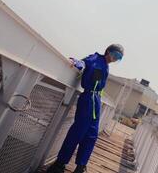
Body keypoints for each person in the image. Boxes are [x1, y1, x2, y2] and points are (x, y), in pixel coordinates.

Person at [47, 44, 124, 173]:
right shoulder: (97, 58)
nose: (116, 59)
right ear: (109, 52)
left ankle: (81, 166)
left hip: (96, 101)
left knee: (91, 135)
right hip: (88, 99)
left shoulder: (105, 64)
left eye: (119, 58)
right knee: (77, 132)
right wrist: (80, 63)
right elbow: (86, 61)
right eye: (116, 55)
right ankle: (59, 164)